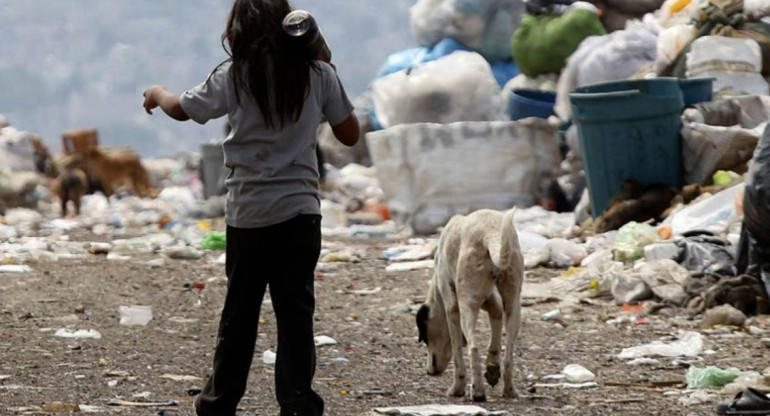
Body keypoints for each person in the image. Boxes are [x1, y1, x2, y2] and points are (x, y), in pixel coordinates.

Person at [141, 1, 359, 415]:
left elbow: (184, 110)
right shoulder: (318, 74)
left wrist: (157, 93)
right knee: (296, 315)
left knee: (239, 315)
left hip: (249, 213)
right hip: (300, 213)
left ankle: (219, 402)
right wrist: (326, 61)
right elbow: (349, 134)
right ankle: (297, 403)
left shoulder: (235, 74)